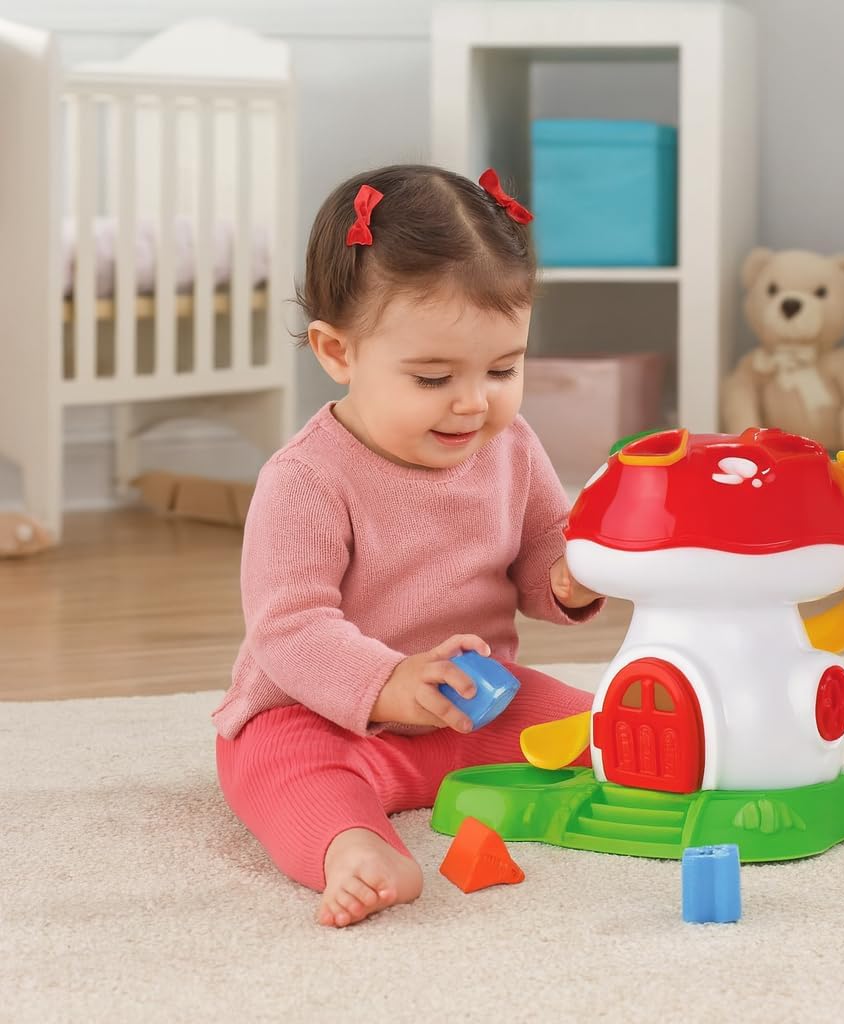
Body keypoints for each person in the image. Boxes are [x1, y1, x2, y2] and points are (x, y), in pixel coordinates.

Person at [212, 164, 606, 928]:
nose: (474, 402)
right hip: (322, 717)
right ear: (338, 352)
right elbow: (289, 629)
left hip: (474, 703)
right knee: (281, 768)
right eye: (432, 378)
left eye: (504, 368)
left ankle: (668, 759)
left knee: (599, 729)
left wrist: (571, 575)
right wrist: (391, 682)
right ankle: (354, 846)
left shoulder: (510, 444)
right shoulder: (306, 478)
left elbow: (539, 550)